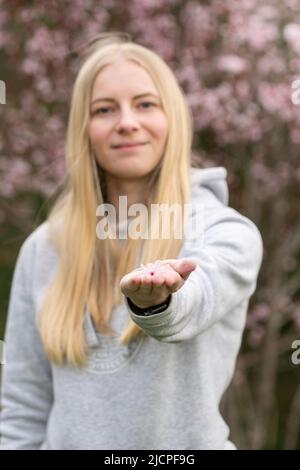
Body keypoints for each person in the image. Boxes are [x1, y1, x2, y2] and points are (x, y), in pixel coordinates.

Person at [0, 32, 263, 450]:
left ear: (171, 116)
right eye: (105, 109)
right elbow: (22, 405)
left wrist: (156, 303)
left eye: (145, 104)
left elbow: (198, 296)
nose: (126, 122)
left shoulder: (224, 232)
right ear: (83, 129)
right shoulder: (43, 249)